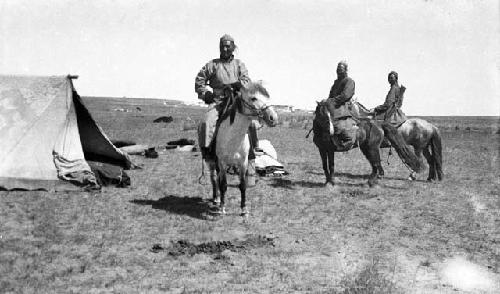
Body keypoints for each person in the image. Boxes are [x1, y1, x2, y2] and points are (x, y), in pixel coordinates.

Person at [195, 34, 259, 185]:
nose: (224, 49)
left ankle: (251, 160)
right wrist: (206, 94)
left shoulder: (239, 64)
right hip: (218, 101)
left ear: (233, 48)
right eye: (222, 46)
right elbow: (200, 80)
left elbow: (246, 80)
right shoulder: (212, 65)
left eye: (227, 46)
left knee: (251, 123)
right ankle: (208, 158)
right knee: (206, 123)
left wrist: (238, 84)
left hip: (236, 100)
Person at [326, 61, 358, 151]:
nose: (339, 70)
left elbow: (346, 95)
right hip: (334, 105)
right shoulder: (336, 83)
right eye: (337, 68)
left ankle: (346, 141)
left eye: (341, 68)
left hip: (343, 105)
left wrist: (333, 101)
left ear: (345, 70)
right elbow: (331, 95)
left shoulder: (349, 81)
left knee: (338, 125)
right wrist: (328, 102)